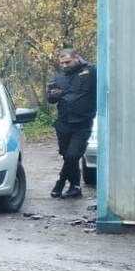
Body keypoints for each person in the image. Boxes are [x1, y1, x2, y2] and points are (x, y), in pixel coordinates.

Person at [45, 47, 97, 198]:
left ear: (77, 58)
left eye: (67, 62)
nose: (65, 65)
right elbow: (50, 98)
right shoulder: (58, 77)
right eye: (62, 63)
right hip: (64, 123)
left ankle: (60, 183)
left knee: (72, 155)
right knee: (67, 155)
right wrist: (53, 95)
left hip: (82, 122)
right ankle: (75, 187)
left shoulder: (90, 72)